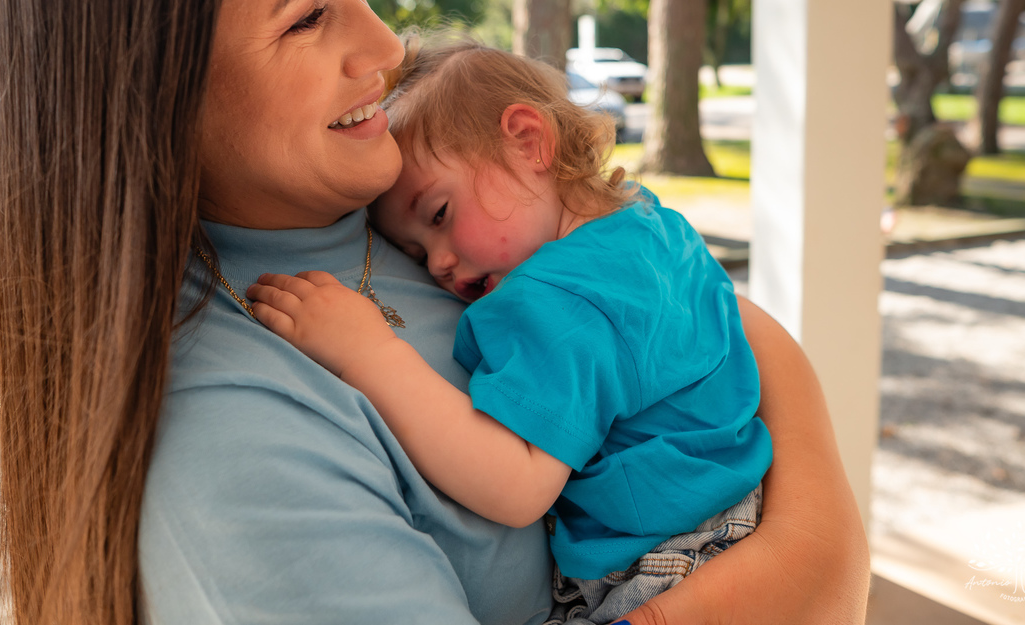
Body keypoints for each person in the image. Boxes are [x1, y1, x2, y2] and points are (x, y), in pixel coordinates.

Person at [0, 0, 870, 624]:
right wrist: (811, 545)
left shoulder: (398, 209)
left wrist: (817, 547)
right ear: (154, 85)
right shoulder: (234, 448)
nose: (386, 47)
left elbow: (720, 336)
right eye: (310, 14)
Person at [248, 37, 771, 624]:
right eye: (416, 253)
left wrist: (368, 354)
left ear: (528, 141)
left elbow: (517, 485)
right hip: (741, 514)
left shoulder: (555, 299)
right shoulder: (651, 224)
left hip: (659, 565)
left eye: (440, 214)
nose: (439, 264)